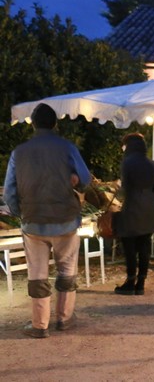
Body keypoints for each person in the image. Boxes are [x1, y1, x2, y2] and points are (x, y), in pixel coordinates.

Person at [3, 103, 91, 338]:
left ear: (33, 124)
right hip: (65, 221)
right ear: (55, 123)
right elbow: (85, 178)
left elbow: (8, 193)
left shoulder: (18, 152)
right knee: (67, 270)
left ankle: (40, 325)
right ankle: (64, 319)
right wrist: (76, 182)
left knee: (37, 274)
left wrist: (21, 212)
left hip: (33, 224)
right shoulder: (67, 147)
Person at [115, 133, 154, 296]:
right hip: (151, 208)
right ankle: (141, 283)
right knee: (144, 246)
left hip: (133, 206)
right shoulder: (151, 163)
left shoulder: (128, 162)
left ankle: (130, 282)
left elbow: (125, 188)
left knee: (129, 246)